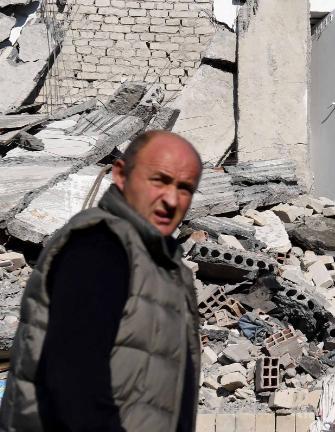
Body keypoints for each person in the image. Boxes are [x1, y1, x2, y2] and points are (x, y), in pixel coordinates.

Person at [0, 131, 204, 432]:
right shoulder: (101, 247)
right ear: (120, 175)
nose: (172, 200)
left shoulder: (164, 266)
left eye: (185, 188)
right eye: (159, 180)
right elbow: (74, 384)